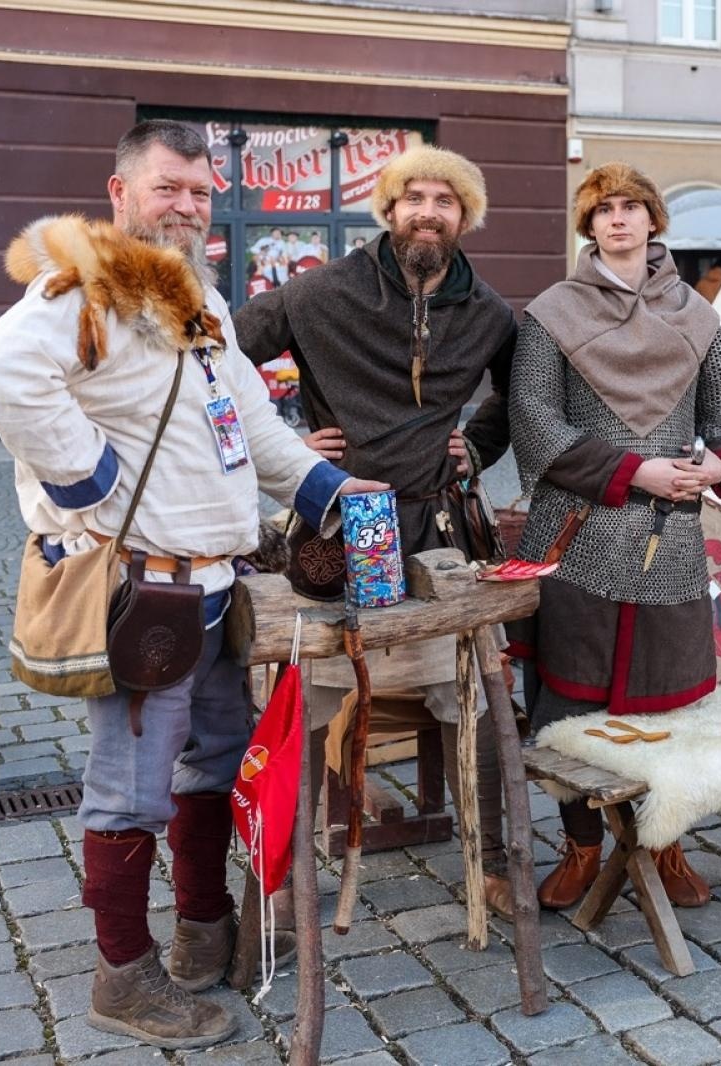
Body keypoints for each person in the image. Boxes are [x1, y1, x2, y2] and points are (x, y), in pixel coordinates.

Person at [0, 119, 384, 1050]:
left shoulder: (201, 306)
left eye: (199, 193)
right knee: (129, 792)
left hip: (217, 592)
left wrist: (329, 488)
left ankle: (202, 935)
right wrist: (89, 482)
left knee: (212, 763)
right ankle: (124, 978)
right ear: (121, 196)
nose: (187, 208)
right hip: (144, 598)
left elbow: (254, 426)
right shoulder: (85, 289)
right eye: (168, 190)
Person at [235, 144, 518, 916]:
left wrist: (478, 446)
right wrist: (287, 446)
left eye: (446, 200)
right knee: (306, 703)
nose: (429, 211)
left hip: (435, 532)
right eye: (414, 197)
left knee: (478, 699)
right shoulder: (317, 294)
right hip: (332, 534)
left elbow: (516, 399)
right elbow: (217, 364)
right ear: (389, 210)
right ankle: (283, 886)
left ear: (465, 218)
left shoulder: (489, 314)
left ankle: (493, 860)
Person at [510, 162, 721, 910]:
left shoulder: (700, 316)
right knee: (572, 709)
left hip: (669, 537)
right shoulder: (552, 312)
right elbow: (537, 425)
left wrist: (714, 465)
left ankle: (661, 845)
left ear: (653, 220)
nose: (617, 219)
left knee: (668, 709)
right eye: (602, 209)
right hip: (580, 531)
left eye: (631, 206)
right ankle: (581, 848)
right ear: (589, 225)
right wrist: (632, 472)